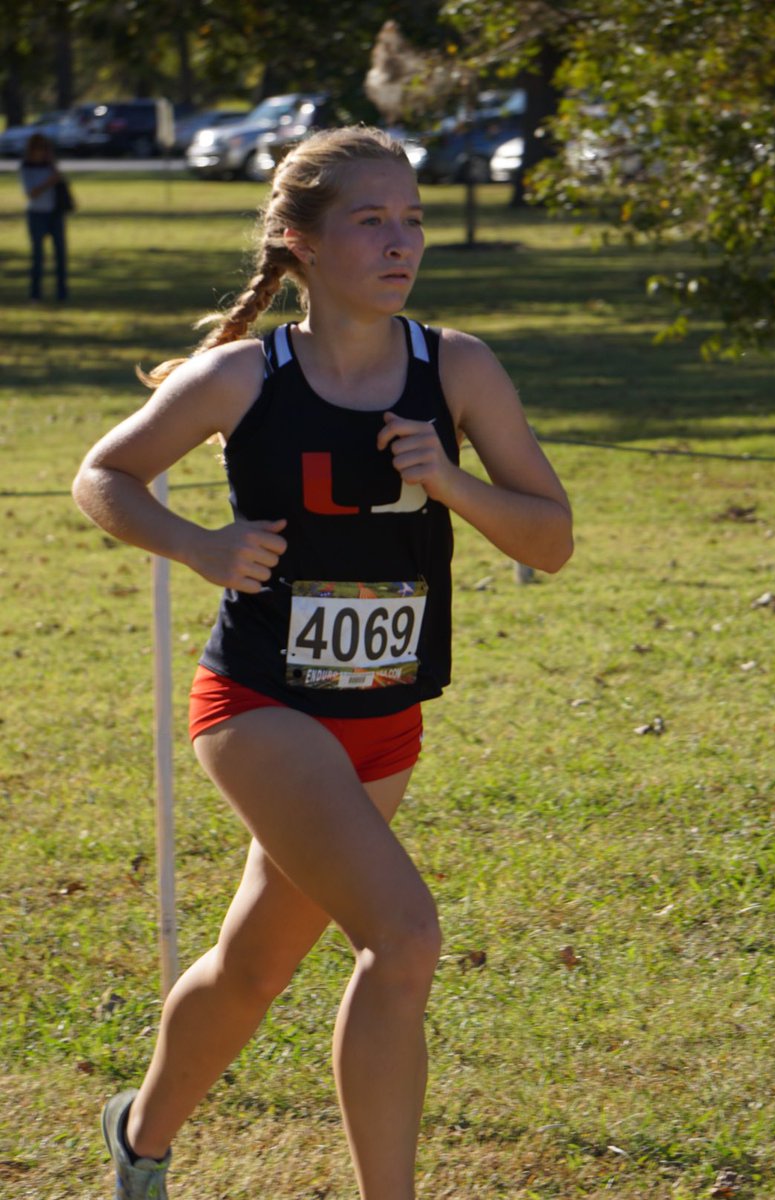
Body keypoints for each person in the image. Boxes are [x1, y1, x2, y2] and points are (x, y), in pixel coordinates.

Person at [72, 125, 573, 1200]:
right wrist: (198, 545)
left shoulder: (461, 367)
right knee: (403, 939)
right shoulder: (242, 376)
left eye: (414, 220)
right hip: (258, 708)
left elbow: (550, 539)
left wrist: (453, 482)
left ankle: (140, 1135)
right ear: (297, 243)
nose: (402, 242)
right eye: (370, 220)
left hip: (387, 719)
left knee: (255, 966)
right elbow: (104, 476)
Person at [20, 132, 70, 302]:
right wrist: (49, 182)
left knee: (60, 255)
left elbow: (62, 184)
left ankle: (62, 292)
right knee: (38, 256)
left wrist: (52, 165)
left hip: (55, 213)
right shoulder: (26, 167)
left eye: (45, 149)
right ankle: (36, 293)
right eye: (39, 149)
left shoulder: (50, 166)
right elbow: (31, 193)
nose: (41, 153)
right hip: (37, 214)